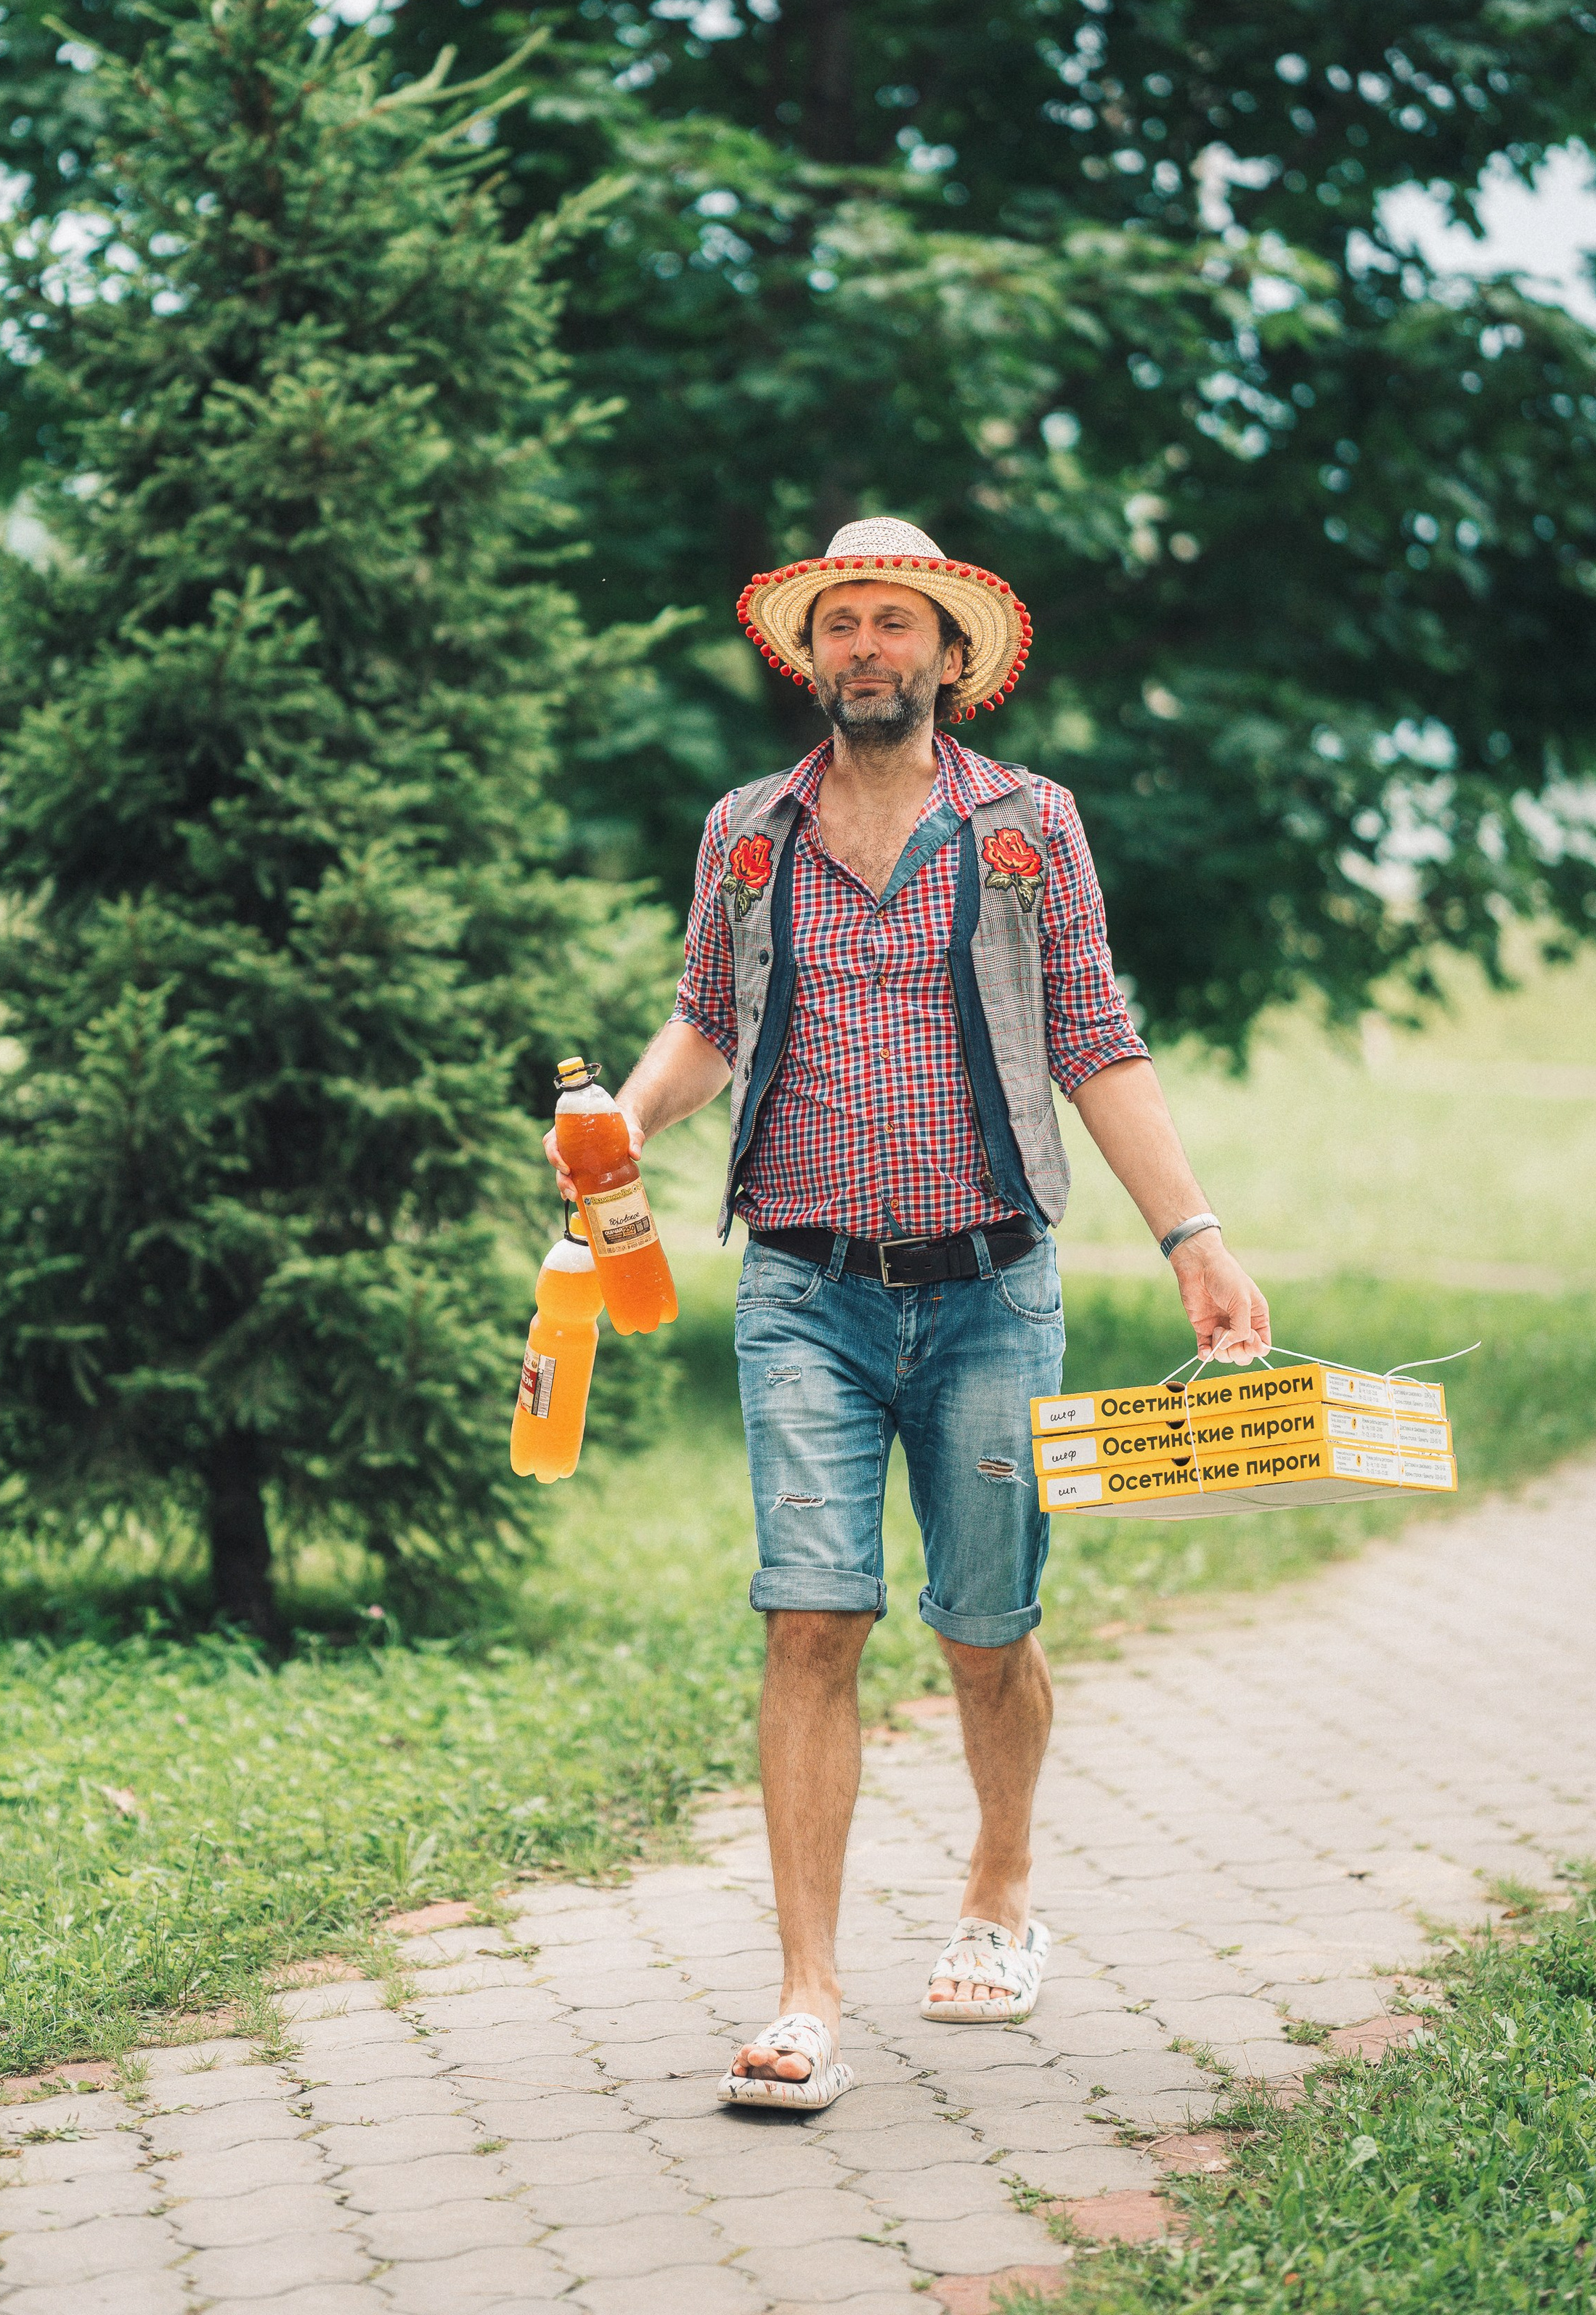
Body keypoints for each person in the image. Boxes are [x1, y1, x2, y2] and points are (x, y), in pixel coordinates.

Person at [544, 516, 1271, 2114]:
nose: (865, 647)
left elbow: (1093, 1037)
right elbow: (703, 1023)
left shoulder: (1027, 827)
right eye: (840, 624)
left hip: (989, 1289)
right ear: (808, 655)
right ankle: (805, 1995)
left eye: (895, 624)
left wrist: (1191, 1237)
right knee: (812, 1614)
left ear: (949, 657)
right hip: (799, 1288)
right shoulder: (746, 831)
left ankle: (998, 1893)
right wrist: (625, 1123)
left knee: (982, 1626)